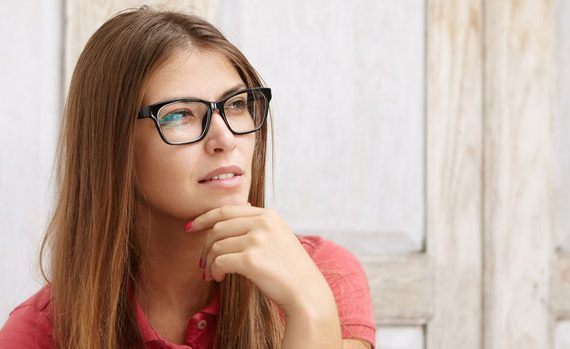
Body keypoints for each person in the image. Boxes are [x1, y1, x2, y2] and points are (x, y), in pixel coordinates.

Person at [0, 6, 376, 349]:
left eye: (237, 105)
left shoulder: (323, 276)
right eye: (179, 114)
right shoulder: (39, 333)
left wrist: (310, 310)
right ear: (111, 145)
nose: (225, 139)